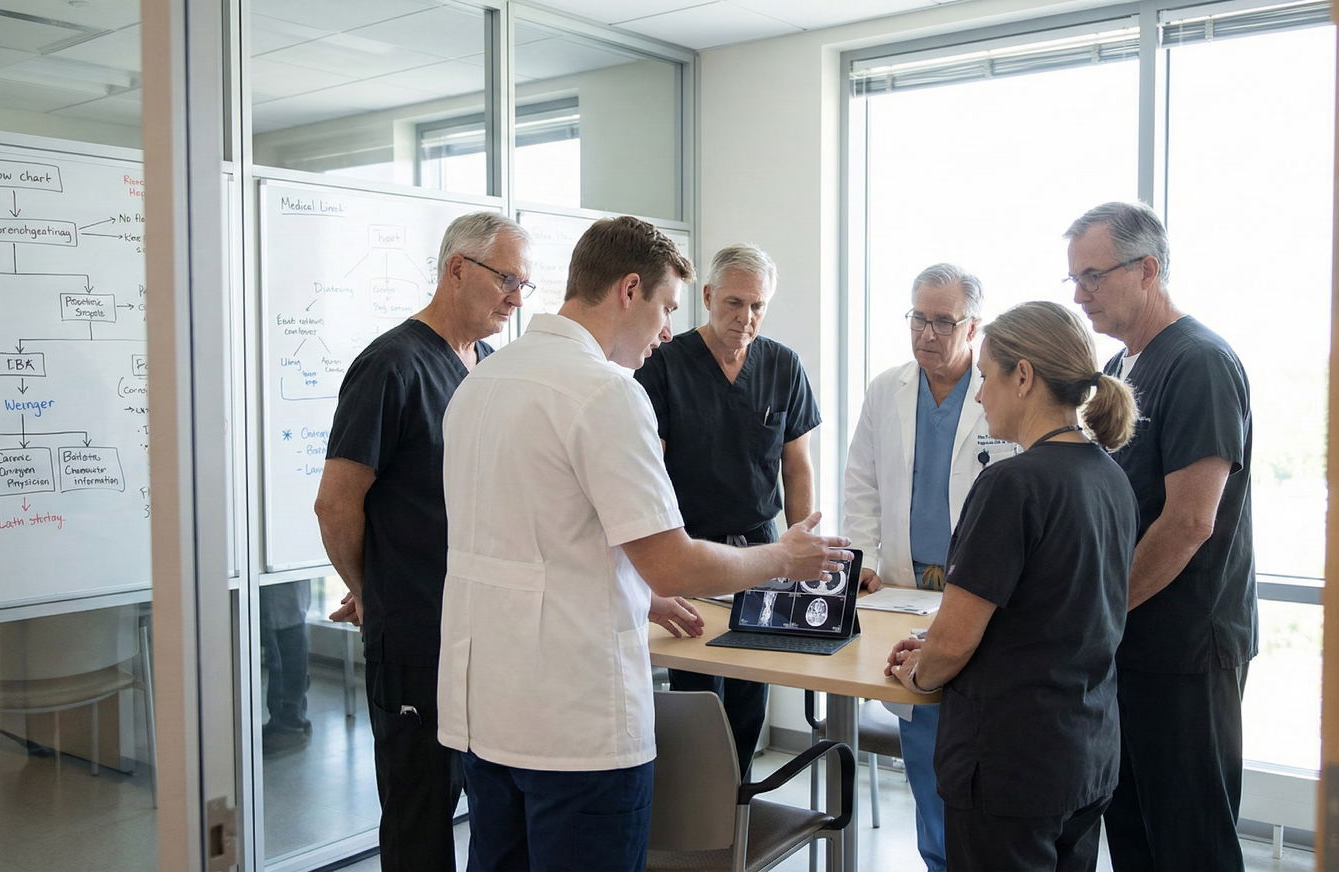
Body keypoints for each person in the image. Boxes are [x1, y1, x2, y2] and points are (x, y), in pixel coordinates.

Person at [436, 216, 851, 872]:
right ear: (629, 290)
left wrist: (643, 596)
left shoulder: (482, 382)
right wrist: (785, 557)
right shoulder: (606, 393)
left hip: (486, 712)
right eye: (666, 308)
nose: (665, 332)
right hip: (576, 723)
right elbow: (672, 563)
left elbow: (536, 540)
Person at [313, 212, 532, 872]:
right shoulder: (391, 365)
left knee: (487, 803)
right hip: (416, 636)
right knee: (421, 814)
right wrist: (371, 590)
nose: (516, 298)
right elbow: (336, 503)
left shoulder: (487, 367)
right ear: (457, 268)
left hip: (481, 632)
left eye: (524, 285)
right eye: (507, 280)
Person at [887, 300, 1138, 872]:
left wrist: (918, 671)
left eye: (985, 378)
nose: (979, 396)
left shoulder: (1011, 485)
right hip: (1086, 751)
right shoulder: (1110, 477)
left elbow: (954, 642)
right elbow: (1053, 613)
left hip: (1010, 765)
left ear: (1022, 377)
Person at [1065, 200, 1256, 872]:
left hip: (1185, 650)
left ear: (1147, 270)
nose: (1081, 295)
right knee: (1135, 837)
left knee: (1189, 841)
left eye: (1093, 277)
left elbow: (1189, 523)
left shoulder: (1199, 363)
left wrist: (1103, 610)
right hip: (1131, 645)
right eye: (1075, 280)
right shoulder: (1123, 366)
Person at [843, 262, 1018, 871]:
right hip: (904, 586)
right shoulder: (887, 389)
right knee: (923, 741)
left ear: (973, 327)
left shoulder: (1000, 392)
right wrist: (862, 558)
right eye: (919, 318)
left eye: (944, 321)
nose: (927, 333)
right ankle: (938, 859)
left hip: (978, 591)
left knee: (976, 744)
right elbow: (861, 481)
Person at [633, 242, 819, 775]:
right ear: (709, 296)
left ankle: (738, 806)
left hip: (762, 549)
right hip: (691, 550)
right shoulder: (666, 364)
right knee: (699, 691)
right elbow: (649, 473)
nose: (746, 318)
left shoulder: (782, 365)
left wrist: (802, 545)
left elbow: (797, 467)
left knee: (750, 692)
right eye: (735, 303)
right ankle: (701, 807)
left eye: (758, 306)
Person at [259, 579, 312, 755]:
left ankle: (288, 726)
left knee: (284, 640)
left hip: (280, 581)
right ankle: (291, 721)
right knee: (286, 633)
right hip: (285, 583)